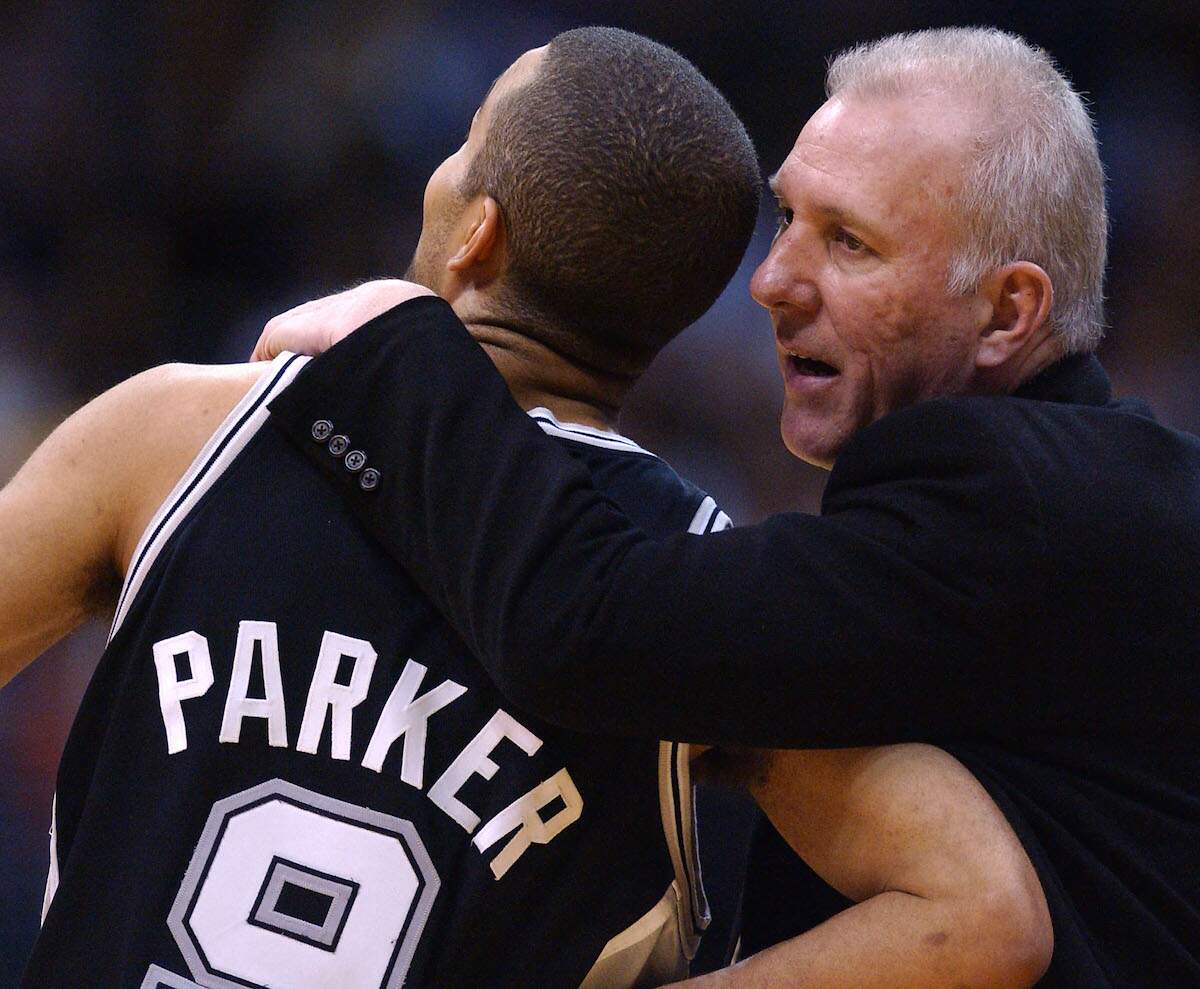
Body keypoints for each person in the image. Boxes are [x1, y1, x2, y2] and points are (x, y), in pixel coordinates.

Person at [0, 27, 1048, 989]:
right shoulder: (706, 594)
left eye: (465, 145)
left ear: (477, 237)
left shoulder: (179, 432)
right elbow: (981, 911)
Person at [256, 26, 1200, 986]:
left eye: (850, 242)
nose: (772, 281)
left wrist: (405, 354)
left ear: (1008, 314)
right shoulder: (1092, 495)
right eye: (787, 216)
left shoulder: (1004, 494)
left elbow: (582, 621)